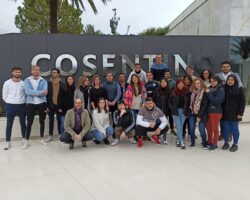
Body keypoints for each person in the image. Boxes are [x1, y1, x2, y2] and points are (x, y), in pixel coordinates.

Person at [23, 65, 48, 149]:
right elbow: (28, 91)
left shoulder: (43, 80)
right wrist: (39, 93)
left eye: (38, 70)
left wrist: (34, 92)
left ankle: (41, 139)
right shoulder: (27, 80)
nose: (36, 71)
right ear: (32, 71)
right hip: (30, 103)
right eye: (35, 70)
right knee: (29, 122)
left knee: (42, 121)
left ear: (39, 72)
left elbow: (45, 92)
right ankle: (26, 140)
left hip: (42, 103)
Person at [2, 67, 26, 150]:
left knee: (23, 123)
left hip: (21, 105)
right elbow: (4, 96)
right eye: (16, 72)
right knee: (9, 124)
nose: (17, 73)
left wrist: (21, 101)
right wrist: (10, 101)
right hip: (10, 105)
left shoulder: (24, 83)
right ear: (12, 73)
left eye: (19, 72)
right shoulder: (7, 83)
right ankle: (8, 142)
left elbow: (25, 95)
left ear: (21, 73)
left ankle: (24, 140)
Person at [221, 74, 245, 152]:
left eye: (232, 80)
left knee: (234, 129)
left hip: (235, 113)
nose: (230, 81)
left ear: (235, 81)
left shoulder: (239, 89)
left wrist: (240, 113)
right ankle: (226, 142)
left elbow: (243, 102)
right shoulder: (223, 88)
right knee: (225, 129)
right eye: (228, 80)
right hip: (225, 113)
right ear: (226, 80)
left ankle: (235, 144)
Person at [168, 79, 190, 150]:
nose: (180, 85)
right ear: (176, 85)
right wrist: (172, 109)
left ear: (184, 84)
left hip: (184, 112)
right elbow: (169, 102)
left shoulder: (187, 92)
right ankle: (182, 142)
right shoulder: (173, 92)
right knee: (178, 127)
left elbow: (189, 102)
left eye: (182, 83)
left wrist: (187, 111)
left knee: (180, 126)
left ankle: (177, 140)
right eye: (179, 84)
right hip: (175, 112)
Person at [205, 76, 225, 150]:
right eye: (211, 81)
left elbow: (216, 101)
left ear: (218, 81)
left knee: (214, 129)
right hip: (209, 111)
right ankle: (210, 142)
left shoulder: (221, 90)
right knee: (208, 128)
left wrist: (209, 93)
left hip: (216, 112)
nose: (212, 82)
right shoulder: (210, 89)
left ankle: (214, 144)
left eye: (214, 81)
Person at [188, 78, 208, 149]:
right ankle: (192, 143)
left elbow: (205, 105)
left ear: (201, 83)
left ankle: (204, 143)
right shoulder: (192, 92)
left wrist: (199, 116)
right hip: (192, 113)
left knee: (202, 129)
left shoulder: (204, 92)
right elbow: (190, 103)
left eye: (198, 83)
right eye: (195, 83)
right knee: (191, 128)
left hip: (201, 114)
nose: (197, 85)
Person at [47, 68, 65, 142]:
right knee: (51, 121)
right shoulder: (48, 83)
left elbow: (63, 96)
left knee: (59, 121)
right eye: (52, 72)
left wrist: (61, 106)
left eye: (55, 72)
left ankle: (60, 134)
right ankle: (50, 135)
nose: (53, 73)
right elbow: (46, 95)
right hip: (50, 105)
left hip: (59, 105)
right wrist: (47, 106)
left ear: (58, 74)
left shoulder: (62, 83)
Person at [153, 78, 171, 144]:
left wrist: (169, 110)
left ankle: (165, 139)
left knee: (165, 125)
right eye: (162, 82)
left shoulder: (169, 91)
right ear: (160, 83)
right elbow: (153, 100)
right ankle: (157, 136)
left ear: (166, 83)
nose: (163, 83)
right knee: (158, 124)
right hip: (158, 112)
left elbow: (170, 102)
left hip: (165, 112)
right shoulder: (157, 90)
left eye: (164, 82)